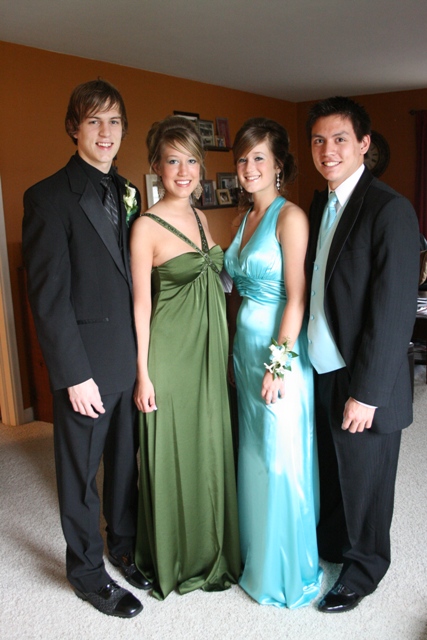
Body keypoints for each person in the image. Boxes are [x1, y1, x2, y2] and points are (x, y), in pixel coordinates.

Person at [22, 79, 150, 618]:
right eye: (94, 120)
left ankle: (123, 545)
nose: (105, 132)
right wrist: (73, 374)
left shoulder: (130, 192)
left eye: (114, 121)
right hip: (85, 369)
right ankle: (87, 574)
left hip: (128, 359)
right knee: (79, 478)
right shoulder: (47, 197)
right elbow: (48, 298)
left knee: (124, 466)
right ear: (75, 127)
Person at [305, 96, 420, 613]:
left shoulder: (390, 209)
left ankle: (365, 569)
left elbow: (393, 312)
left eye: (339, 139)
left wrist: (367, 394)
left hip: (365, 376)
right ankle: (333, 546)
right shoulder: (320, 204)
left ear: (363, 144)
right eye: (319, 140)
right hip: (322, 365)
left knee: (367, 481)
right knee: (334, 471)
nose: (328, 150)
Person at [131, 115, 240, 600]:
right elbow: (140, 304)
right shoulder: (145, 226)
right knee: (174, 450)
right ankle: (176, 555)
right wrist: (143, 374)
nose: (183, 171)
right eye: (173, 161)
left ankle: (211, 546)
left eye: (192, 161)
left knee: (210, 444)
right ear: (156, 165)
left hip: (209, 351)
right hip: (170, 355)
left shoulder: (201, 217)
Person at [224, 117, 323, 608]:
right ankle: (256, 557)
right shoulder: (241, 220)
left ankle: (286, 570)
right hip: (244, 350)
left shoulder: (291, 217)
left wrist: (278, 365)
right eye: (242, 159)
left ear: (279, 164)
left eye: (259, 157)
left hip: (278, 351)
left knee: (280, 453)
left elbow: (297, 299)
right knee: (254, 454)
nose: (249, 167)